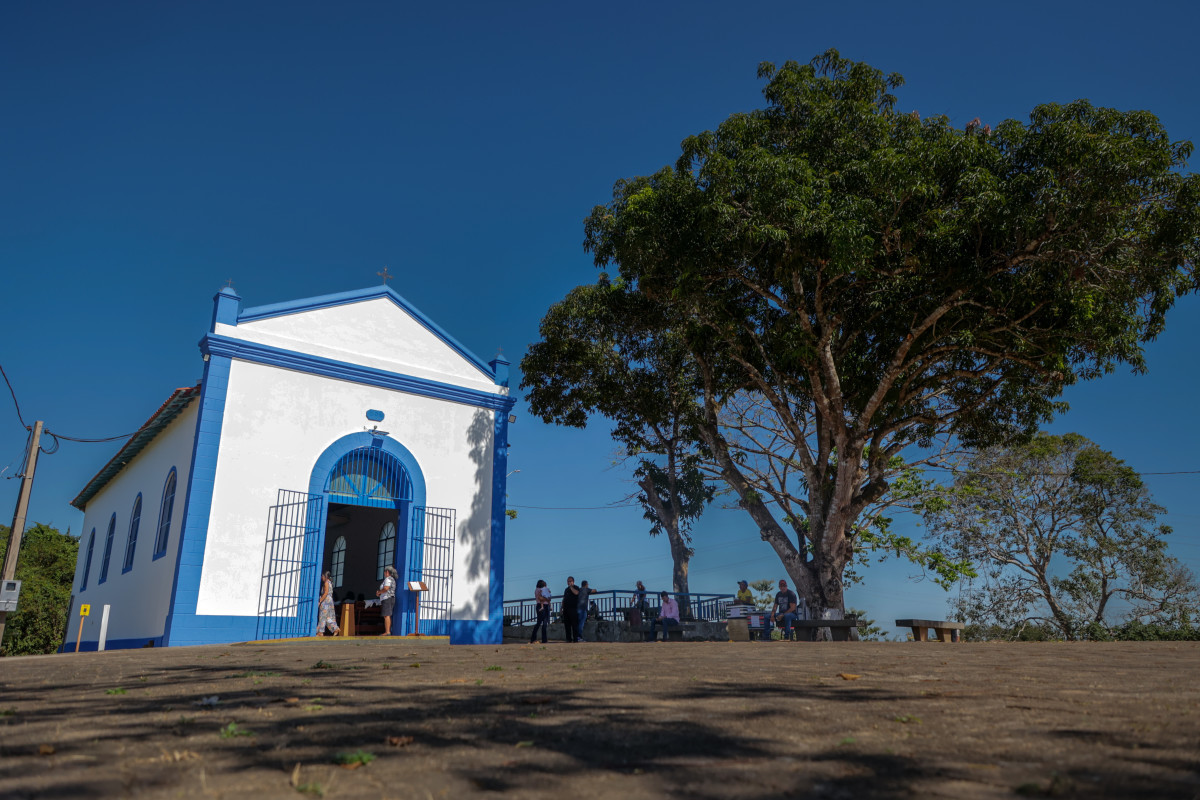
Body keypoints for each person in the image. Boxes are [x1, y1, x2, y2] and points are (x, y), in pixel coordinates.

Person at [314, 571, 340, 636]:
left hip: (325, 601)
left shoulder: (326, 583)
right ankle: (335, 628)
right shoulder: (330, 582)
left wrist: (320, 601)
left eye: (322, 576)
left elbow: (325, 593)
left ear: (326, 576)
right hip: (330, 601)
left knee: (322, 616)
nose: (321, 577)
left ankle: (320, 631)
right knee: (328, 616)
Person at [377, 565, 397, 636]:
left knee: (386, 615)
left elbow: (386, 588)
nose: (384, 573)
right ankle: (387, 631)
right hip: (390, 598)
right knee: (387, 615)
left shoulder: (388, 579)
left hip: (387, 598)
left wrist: (379, 592)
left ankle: (387, 632)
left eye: (384, 572)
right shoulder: (392, 579)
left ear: (387, 572)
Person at [530, 579, 552, 644]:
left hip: (544, 606)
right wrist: (547, 599)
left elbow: (548, 597)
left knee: (544, 623)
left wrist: (547, 598)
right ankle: (534, 639)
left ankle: (543, 640)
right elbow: (540, 598)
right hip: (541, 605)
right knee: (540, 622)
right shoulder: (538, 590)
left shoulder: (541, 590)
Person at [561, 576, 580, 643]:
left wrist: (571, 587)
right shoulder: (566, 589)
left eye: (570, 581)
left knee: (574, 624)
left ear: (573, 581)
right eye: (568, 581)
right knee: (567, 625)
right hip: (566, 609)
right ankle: (568, 639)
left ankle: (575, 639)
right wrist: (562, 608)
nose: (569, 582)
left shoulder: (576, 587)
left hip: (573, 609)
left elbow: (576, 593)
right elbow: (564, 598)